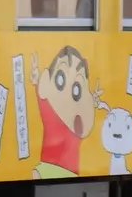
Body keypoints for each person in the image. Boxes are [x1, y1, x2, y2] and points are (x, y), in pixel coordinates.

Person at [31, 45, 96, 178]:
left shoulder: (78, 124)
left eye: (77, 88)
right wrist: (35, 83)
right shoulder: (52, 113)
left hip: (65, 172)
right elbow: (42, 98)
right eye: (60, 79)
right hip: (50, 169)